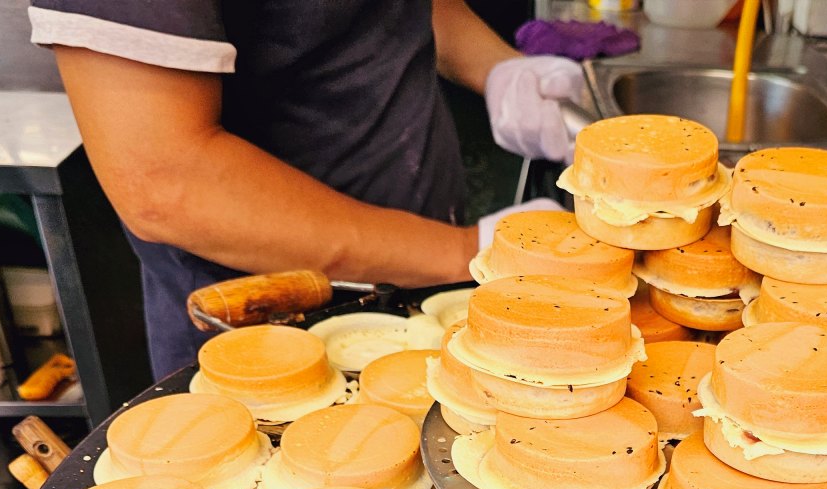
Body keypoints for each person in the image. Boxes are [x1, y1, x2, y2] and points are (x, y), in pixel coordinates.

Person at [29, 0, 581, 376]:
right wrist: (462, 252)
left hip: (427, 280)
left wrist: (497, 67)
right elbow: (165, 180)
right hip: (277, 324)